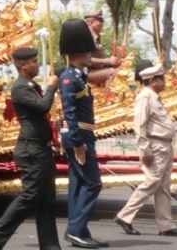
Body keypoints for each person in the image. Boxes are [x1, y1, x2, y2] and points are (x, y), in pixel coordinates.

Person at [0, 48, 60, 250]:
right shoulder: (19, 87)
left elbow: (41, 113)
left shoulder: (31, 85)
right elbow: (43, 106)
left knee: (46, 200)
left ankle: (50, 244)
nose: (38, 64)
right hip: (31, 150)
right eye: (34, 62)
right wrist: (52, 87)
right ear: (22, 65)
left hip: (42, 149)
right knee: (29, 196)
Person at [116, 64, 177, 237]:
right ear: (152, 81)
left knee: (163, 186)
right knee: (151, 182)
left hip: (165, 145)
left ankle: (166, 226)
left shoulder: (155, 97)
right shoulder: (145, 98)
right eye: (161, 79)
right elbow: (139, 125)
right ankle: (124, 216)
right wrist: (144, 149)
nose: (165, 82)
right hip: (155, 145)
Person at [58, 19, 107, 249]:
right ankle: (75, 230)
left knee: (78, 185)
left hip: (83, 135)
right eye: (88, 51)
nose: (91, 54)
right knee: (93, 183)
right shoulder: (69, 78)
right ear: (79, 52)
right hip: (79, 136)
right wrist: (78, 141)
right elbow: (69, 113)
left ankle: (80, 231)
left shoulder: (78, 77)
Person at [81, 12, 122, 86]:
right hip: (87, 72)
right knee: (112, 73)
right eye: (100, 21)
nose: (102, 24)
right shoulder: (86, 37)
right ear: (91, 22)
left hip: (96, 70)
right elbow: (86, 59)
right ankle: (109, 98)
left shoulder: (96, 37)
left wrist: (116, 61)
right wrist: (108, 61)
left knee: (121, 69)